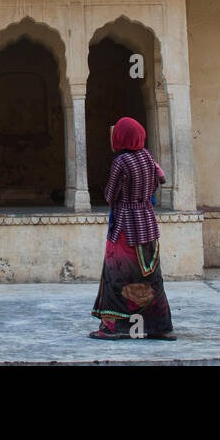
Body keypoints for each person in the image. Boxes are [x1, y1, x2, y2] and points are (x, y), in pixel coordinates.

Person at [90, 117, 175, 340]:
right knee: (150, 276)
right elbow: (160, 179)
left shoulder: (122, 161)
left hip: (126, 225)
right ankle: (159, 326)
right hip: (147, 223)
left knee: (117, 274)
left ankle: (111, 327)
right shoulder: (147, 157)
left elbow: (110, 195)